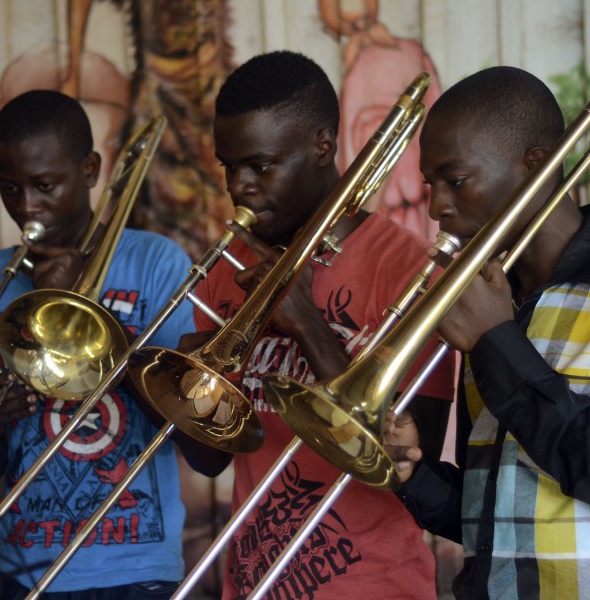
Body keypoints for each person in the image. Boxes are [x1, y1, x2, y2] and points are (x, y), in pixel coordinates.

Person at [182, 50, 457, 599]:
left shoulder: (405, 269)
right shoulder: (229, 266)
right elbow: (209, 460)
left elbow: (403, 464)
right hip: (255, 582)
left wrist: (307, 324)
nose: (239, 187)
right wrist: (193, 378)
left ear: (323, 146)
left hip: (376, 586)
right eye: (228, 167)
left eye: (260, 166)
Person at [0, 90, 196, 599]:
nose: (26, 207)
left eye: (44, 185)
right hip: (26, 566)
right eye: (9, 187)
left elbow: (186, 426)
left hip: (138, 564)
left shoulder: (157, 264)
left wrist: (93, 310)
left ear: (89, 170)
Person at [385, 66, 590, 598]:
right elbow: (492, 516)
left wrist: (497, 344)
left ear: (535, 167)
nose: (435, 208)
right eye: (431, 186)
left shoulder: (488, 324)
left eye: (456, 181)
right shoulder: (490, 305)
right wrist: (415, 474)